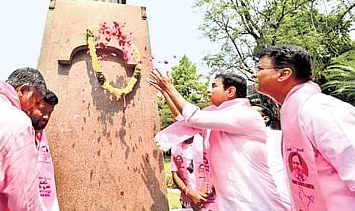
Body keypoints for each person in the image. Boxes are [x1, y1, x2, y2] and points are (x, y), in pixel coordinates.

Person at [148, 70, 288, 210]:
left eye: (215, 86)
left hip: (255, 201)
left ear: (230, 91)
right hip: (232, 201)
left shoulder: (244, 114)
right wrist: (166, 92)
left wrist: (169, 88)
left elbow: (194, 117)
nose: (210, 91)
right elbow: (186, 120)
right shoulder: (217, 114)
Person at [255, 44, 355, 210]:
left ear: (283, 74)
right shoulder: (293, 111)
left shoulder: (320, 109)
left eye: (259, 68)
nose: (254, 74)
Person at [0, 67, 59, 211]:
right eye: (36, 101)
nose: (33, 109)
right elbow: (25, 200)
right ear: (23, 91)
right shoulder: (18, 123)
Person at [249, 99, 291, 209]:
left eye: (251, 114)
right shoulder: (242, 142)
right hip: (254, 196)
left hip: (281, 194)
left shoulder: (281, 137)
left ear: (265, 119)